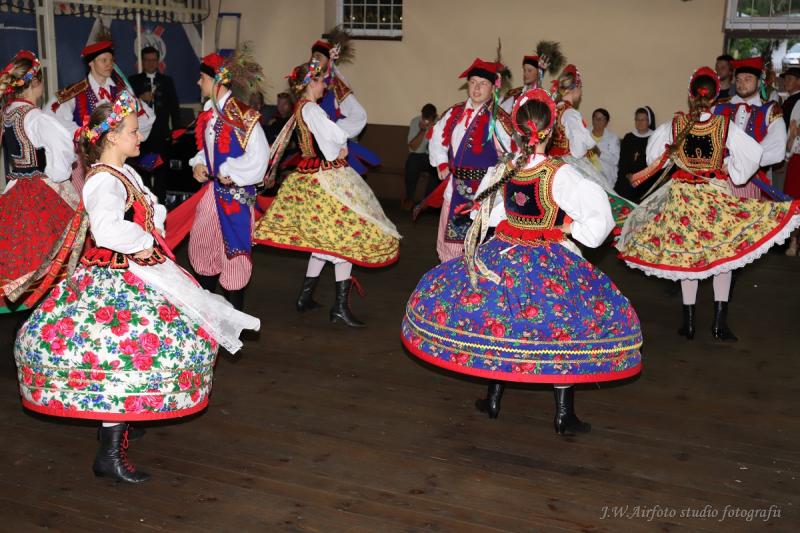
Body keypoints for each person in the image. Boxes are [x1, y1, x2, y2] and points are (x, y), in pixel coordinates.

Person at [13, 91, 260, 483]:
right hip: (119, 272)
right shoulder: (101, 180)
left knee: (154, 344)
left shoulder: (124, 172)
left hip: (139, 265)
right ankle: (109, 454)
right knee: (121, 354)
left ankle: (122, 423)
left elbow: (149, 207)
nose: (139, 136)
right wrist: (143, 240)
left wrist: (151, 227)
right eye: (132, 131)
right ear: (111, 137)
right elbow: (106, 229)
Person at [401, 88, 643, 434]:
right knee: (562, 328)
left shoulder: (506, 168)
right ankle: (563, 413)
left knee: (499, 319)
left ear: (517, 131)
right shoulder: (560, 173)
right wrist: (569, 227)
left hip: (505, 253)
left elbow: (485, 214)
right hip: (549, 255)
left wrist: (512, 222)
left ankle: (493, 398)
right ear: (551, 131)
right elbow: (598, 226)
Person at [616, 67, 800, 342]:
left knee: (687, 256)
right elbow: (752, 154)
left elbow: (653, 156)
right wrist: (732, 169)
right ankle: (718, 323)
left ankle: (689, 323)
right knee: (723, 257)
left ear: (691, 96)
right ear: (715, 98)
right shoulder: (724, 125)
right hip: (714, 197)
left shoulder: (676, 124)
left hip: (682, 198)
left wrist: (676, 161)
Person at [253, 60, 401, 328]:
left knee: (324, 241)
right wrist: (340, 149)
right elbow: (332, 136)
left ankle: (305, 297)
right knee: (343, 238)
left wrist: (336, 147)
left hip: (311, 176)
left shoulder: (303, 108)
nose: (325, 86)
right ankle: (340, 308)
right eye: (321, 81)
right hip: (325, 177)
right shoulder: (311, 109)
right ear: (310, 82)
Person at [187, 52, 269, 312]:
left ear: (216, 81)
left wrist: (232, 171)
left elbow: (260, 157)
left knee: (234, 252)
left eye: (202, 77)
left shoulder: (244, 115)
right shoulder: (210, 113)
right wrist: (199, 164)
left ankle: (236, 320)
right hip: (212, 193)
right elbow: (207, 151)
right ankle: (207, 312)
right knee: (203, 245)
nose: (198, 82)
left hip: (235, 198)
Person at [0, 50, 77, 313]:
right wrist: (57, 176)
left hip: (16, 187)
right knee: (56, 255)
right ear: (36, 83)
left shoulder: (8, 112)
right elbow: (63, 149)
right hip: (41, 190)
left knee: (21, 256)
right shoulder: (36, 117)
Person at [427, 58, 513, 262]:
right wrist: (441, 162)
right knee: (450, 247)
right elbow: (436, 137)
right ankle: (451, 278)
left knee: (479, 248)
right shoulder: (454, 113)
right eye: (473, 82)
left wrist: (499, 179)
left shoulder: (499, 119)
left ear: (493, 87)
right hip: (455, 189)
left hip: (484, 192)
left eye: (483, 83)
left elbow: (512, 154)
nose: (476, 88)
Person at [46, 32, 154, 193]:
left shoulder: (122, 92)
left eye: (111, 60)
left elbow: (147, 118)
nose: (109, 64)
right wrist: (81, 134)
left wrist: (130, 137)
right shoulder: (75, 91)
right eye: (104, 60)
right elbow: (50, 117)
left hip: (116, 161)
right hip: (85, 163)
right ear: (91, 63)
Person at [714, 57, 787, 199]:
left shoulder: (770, 109)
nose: (742, 84)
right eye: (739, 79)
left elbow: (777, 147)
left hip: (751, 181)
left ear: (759, 82)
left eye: (748, 79)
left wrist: (738, 164)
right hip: (717, 179)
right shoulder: (719, 107)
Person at [310, 36, 380, 175]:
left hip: (329, 148)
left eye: (319, 57)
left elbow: (359, 114)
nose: (314, 60)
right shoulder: (306, 81)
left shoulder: (336, 84)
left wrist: (335, 132)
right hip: (310, 146)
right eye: (313, 56)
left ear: (329, 61)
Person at [128, 46, 180, 157]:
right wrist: (140, 98)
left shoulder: (167, 81)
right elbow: (127, 106)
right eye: (147, 60)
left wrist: (176, 133)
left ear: (158, 62)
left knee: (162, 165)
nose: (150, 63)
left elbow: (174, 108)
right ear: (142, 61)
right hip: (140, 133)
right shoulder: (133, 81)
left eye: (154, 60)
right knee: (140, 166)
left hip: (162, 132)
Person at [614, 106, 656, 203]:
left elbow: (655, 161)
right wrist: (627, 174)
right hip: (628, 176)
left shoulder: (654, 137)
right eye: (637, 119)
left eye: (643, 120)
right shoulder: (628, 137)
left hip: (647, 177)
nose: (639, 122)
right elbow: (622, 161)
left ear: (649, 121)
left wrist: (640, 176)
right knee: (623, 187)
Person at [402, 103, 437, 211]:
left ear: (434, 117)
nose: (426, 120)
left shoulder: (440, 123)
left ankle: (426, 201)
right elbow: (413, 148)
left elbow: (441, 148)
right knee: (412, 161)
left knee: (438, 168)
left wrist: (434, 130)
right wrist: (422, 130)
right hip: (419, 156)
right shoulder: (415, 121)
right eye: (424, 117)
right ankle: (409, 198)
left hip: (433, 156)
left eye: (429, 118)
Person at [783, 67, 800, 255]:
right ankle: (793, 242)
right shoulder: (797, 103)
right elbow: (792, 132)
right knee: (794, 199)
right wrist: (787, 153)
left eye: (790, 78)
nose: (786, 82)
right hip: (796, 157)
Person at [590, 108, 620, 189]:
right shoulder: (585, 134)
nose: (598, 121)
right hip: (587, 171)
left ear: (606, 123)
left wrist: (600, 154)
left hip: (604, 175)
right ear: (592, 120)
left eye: (601, 119)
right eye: (595, 118)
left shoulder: (613, 138)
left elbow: (615, 160)